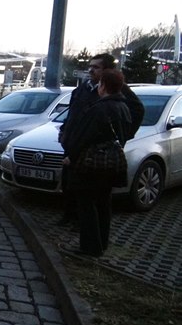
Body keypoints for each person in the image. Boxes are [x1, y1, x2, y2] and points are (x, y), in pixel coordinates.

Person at [58, 53, 144, 228]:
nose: (90, 70)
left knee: (92, 194)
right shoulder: (82, 89)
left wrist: (122, 135)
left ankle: (87, 230)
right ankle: (69, 216)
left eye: (96, 67)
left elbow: (136, 111)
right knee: (70, 184)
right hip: (74, 143)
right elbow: (72, 113)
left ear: (107, 71)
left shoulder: (115, 90)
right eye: (90, 66)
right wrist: (65, 129)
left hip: (94, 151)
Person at [61, 69, 132, 257]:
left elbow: (84, 136)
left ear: (103, 86)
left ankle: (89, 247)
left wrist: (72, 156)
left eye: (100, 84)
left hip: (92, 164)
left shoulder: (100, 108)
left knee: (86, 205)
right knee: (103, 203)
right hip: (112, 163)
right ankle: (102, 242)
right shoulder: (123, 107)